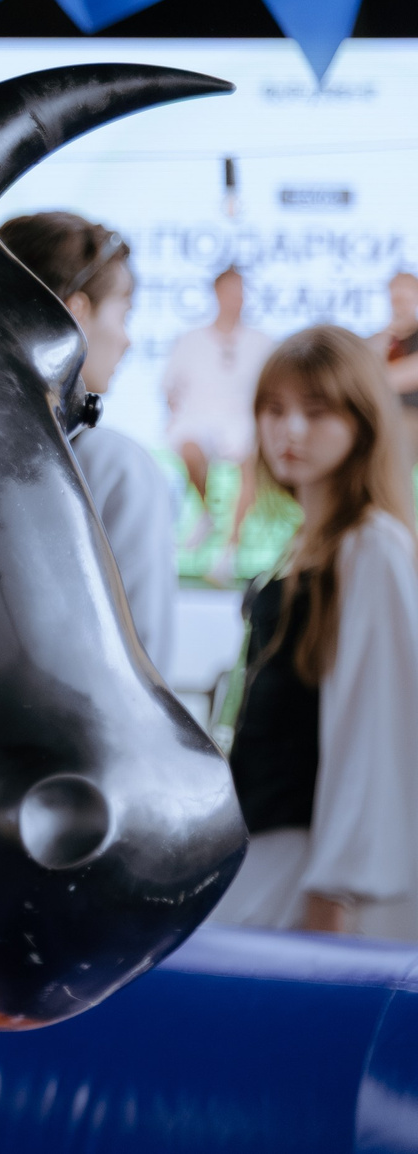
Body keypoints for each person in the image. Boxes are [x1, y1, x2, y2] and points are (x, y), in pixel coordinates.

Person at [211, 325, 418, 938]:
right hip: (266, 858)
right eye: (273, 411)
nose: (289, 431)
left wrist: (338, 886)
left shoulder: (372, 545)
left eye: (316, 411)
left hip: (309, 879)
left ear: (362, 421)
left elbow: (374, 729)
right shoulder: (308, 547)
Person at [0, 212, 179, 669]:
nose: (127, 340)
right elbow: (141, 663)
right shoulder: (112, 466)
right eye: (124, 313)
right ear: (76, 311)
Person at [164, 265, 272, 568]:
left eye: (240, 292)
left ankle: (229, 552)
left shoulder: (261, 342)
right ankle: (206, 513)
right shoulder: (191, 340)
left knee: (249, 462)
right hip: (198, 417)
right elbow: (170, 387)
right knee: (188, 446)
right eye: (230, 291)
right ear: (217, 293)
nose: (235, 298)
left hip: (242, 421)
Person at [369, 268, 418, 451]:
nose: (400, 305)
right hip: (382, 414)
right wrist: (388, 334)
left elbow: (402, 377)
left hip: (410, 416)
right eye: (396, 299)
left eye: (406, 299)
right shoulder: (381, 339)